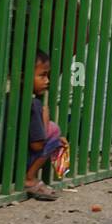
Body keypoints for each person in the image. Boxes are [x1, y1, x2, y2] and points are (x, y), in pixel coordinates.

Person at [25, 50, 70, 200]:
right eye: (42, 75)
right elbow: (37, 145)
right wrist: (45, 118)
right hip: (20, 163)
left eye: (47, 76)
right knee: (54, 131)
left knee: (55, 134)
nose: (47, 80)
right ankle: (29, 178)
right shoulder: (34, 105)